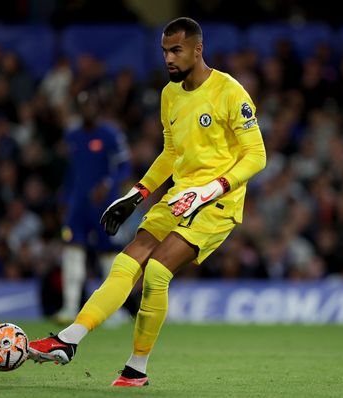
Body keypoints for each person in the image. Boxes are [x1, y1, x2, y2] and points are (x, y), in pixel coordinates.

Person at [28, 17, 267, 387]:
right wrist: (135, 195)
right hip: (177, 197)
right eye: (164, 51)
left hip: (218, 203)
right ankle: (69, 340)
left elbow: (256, 156)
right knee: (127, 262)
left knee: (156, 271)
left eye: (176, 50)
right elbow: (171, 154)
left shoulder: (230, 92)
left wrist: (210, 190)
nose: (169, 58)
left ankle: (136, 367)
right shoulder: (170, 94)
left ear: (197, 49)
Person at [55, 86, 134, 321]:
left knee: (108, 256)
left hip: (104, 206)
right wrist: (64, 199)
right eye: (83, 105)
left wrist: (107, 184)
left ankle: (113, 310)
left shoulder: (111, 135)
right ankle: (70, 306)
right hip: (77, 206)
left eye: (91, 104)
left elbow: (125, 167)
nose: (87, 109)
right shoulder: (72, 136)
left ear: (98, 108)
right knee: (72, 252)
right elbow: (70, 172)